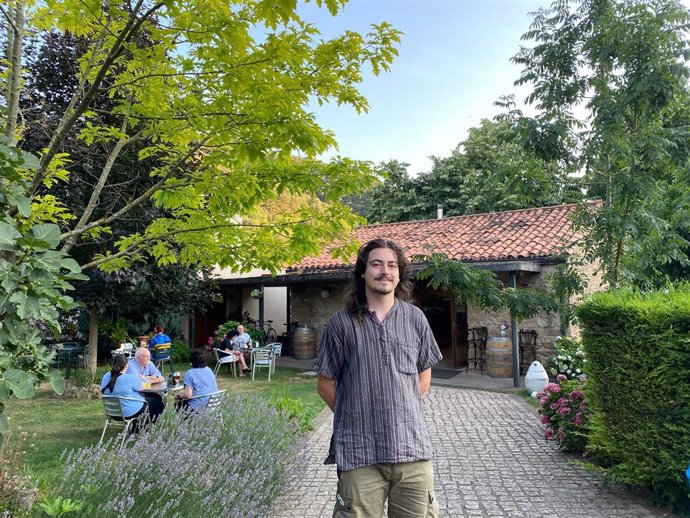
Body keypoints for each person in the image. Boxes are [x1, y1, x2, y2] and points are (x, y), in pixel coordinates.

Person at [314, 239, 442, 518]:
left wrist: (397, 409)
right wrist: (359, 414)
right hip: (360, 454)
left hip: (412, 450)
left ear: (399, 274)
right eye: (376, 264)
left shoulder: (415, 319)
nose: (385, 271)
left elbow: (424, 376)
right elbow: (325, 385)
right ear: (363, 272)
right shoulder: (341, 323)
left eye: (392, 265)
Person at [101, 354, 164, 431]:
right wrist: (155, 381)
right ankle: (141, 428)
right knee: (157, 400)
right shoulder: (128, 378)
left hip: (112, 412)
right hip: (128, 412)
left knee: (148, 400)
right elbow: (144, 387)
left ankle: (139, 426)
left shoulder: (105, 376)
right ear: (126, 366)